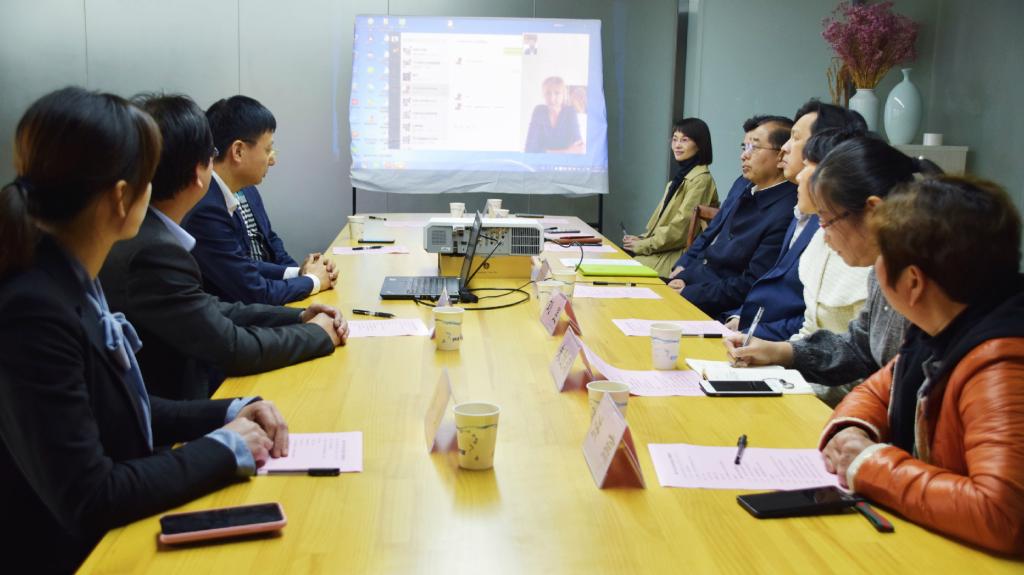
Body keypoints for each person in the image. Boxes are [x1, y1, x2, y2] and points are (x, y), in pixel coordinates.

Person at [0, 87, 288, 572]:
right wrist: (225, 449)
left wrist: (231, 411)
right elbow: (91, 495)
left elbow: (123, 408)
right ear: (121, 197)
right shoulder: (34, 309)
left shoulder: (69, 276)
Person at [819, 175, 1024, 555]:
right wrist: (851, 430)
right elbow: (876, 391)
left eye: (881, 258)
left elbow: (1001, 514)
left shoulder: (1001, 361)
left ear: (913, 282)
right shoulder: (941, 327)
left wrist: (869, 464)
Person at [100, 94, 349, 400]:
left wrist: (298, 317)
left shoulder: (153, 236)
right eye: (211, 154)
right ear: (198, 173)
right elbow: (230, 346)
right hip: (186, 400)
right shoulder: (153, 250)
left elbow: (211, 308)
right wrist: (317, 334)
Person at [726, 136, 941, 394]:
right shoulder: (885, 264)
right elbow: (859, 346)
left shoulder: (924, 280)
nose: (824, 236)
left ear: (873, 210)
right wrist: (780, 352)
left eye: (827, 219)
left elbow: (904, 387)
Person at [721, 102, 867, 341]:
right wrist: (740, 318)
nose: (784, 149)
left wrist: (753, 334)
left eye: (795, 138)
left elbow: (813, 317)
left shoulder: (833, 225)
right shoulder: (803, 210)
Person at [185, 95, 336, 305]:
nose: (272, 160)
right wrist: (313, 281)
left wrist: (300, 273)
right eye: (267, 150)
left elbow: (249, 261)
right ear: (238, 151)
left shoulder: (231, 192)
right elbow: (254, 291)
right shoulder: (207, 208)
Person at [666, 115, 796, 318]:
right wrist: (685, 275)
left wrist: (689, 292)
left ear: (782, 156)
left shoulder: (786, 211)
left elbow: (750, 283)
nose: (744, 156)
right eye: (744, 147)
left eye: (754, 147)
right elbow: (711, 240)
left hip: (719, 306)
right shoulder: (744, 186)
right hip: (696, 284)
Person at [622, 118, 718, 277]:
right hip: (662, 251)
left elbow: (680, 231)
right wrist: (642, 239)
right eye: (675, 139)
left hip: (675, 258)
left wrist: (644, 244)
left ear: (700, 144)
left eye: (684, 140)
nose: (677, 145)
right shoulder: (681, 177)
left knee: (617, 270)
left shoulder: (700, 180)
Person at [524, 76, 583, 154]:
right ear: (543, 95)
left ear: (563, 95)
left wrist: (546, 151)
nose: (552, 98)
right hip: (543, 160)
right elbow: (529, 148)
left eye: (557, 93)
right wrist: (567, 151)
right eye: (548, 93)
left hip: (564, 161)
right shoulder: (539, 111)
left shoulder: (570, 112)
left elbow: (579, 147)